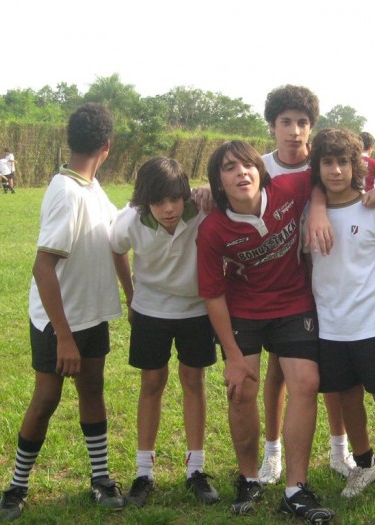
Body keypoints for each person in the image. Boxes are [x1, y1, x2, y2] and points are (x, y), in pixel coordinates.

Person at [0, 103, 124, 522]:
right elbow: (43, 267)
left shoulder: (93, 188)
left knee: (93, 389)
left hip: (91, 314)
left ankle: (100, 479)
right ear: (107, 145)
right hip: (58, 321)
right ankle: (16, 487)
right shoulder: (67, 192)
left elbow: (118, 240)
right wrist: (64, 337)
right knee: (47, 398)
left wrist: (132, 295)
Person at [197, 140, 335, 522]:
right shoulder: (212, 229)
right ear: (218, 183)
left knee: (306, 382)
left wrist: (318, 208)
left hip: (293, 302)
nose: (241, 172)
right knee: (242, 389)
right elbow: (212, 295)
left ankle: (295, 489)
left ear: (260, 171)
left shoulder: (287, 189)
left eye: (247, 164)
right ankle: (249, 479)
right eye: (229, 168)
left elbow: (319, 179)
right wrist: (233, 357)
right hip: (244, 309)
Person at [306, 128, 375, 513]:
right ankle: (365, 464)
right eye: (327, 162)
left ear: (356, 166)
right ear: (318, 167)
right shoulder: (308, 213)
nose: (335, 170)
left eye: (343, 162)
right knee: (347, 398)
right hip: (331, 325)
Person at [258, 84, 355, 484]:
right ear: (272, 126)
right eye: (286, 122)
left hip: (324, 277)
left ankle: (339, 449)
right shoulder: (258, 167)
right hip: (278, 281)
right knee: (277, 369)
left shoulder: (324, 165)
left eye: (302, 122)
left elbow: (357, 193)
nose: (294, 131)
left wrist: (320, 203)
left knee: (328, 363)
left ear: (311, 127)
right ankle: (272, 452)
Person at [110, 157, 219, 508]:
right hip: (150, 310)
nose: (169, 209)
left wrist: (210, 190)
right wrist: (131, 295)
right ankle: (144, 473)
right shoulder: (129, 221)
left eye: (175, 199)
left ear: (185, 195)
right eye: (158, 202)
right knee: (152, 383)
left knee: (194, 381)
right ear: (144, 201)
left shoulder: (201, 210)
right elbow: (116, 249)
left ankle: (196, 470)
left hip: (196, 310)